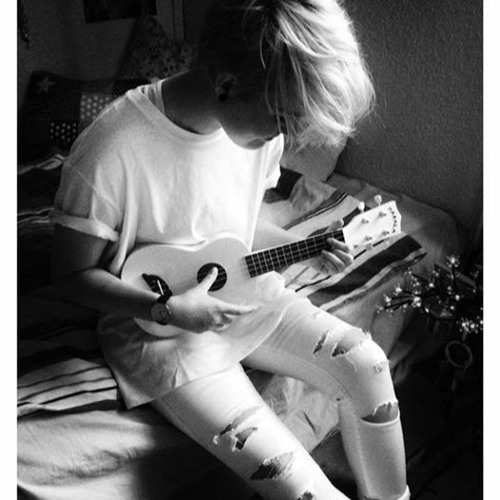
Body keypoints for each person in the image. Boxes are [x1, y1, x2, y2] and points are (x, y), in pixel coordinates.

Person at [50, 1, 410, 499]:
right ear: (225, 84)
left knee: (367, 364)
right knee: (295, 480)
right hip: (157, 334)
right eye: (281, 117)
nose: (286, 134)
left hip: (244, 293)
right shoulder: (112, 146)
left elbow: (234, 226)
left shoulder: (253, 135)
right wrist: (165, 308)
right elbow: (69, 275)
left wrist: (301, 248)